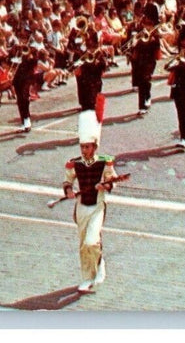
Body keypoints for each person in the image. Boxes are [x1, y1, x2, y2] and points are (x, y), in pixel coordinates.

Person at [62, 111, 119, 293]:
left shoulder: (105, 162)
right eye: (82, 147)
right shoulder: (74, 164)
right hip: (81, 208)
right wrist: (69, 190)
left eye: (88, 147)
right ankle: (87, 278)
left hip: (97, 207)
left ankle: (99, 262)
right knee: (83, 245)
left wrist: (105, 186)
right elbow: (67, 181)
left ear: (94, 147)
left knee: (91, 242)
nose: (84, 151)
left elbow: (113, 180)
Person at [128, 4, 161, 115]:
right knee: (142, 82)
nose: (147, 28)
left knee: (146, 80)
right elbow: (134, 47)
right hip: (140, 61)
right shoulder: (138, 32)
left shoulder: (155, 34)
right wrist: (135, 42)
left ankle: (148, 96)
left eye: (149, 26)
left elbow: (157, 46)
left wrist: (151, 39)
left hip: (150, 61)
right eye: (146, 25)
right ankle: (142, 106)